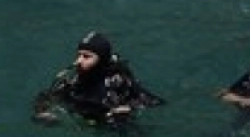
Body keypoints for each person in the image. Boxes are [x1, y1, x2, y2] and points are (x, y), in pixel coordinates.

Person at [32, 32, 164, 127]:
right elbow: (47, 95)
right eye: (78, 55)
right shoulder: (74, 77)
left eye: (86, 56)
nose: (78, 61)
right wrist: (43, 111)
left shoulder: (116, 81)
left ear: (101, 59)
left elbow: (147, 100)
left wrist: (127, 109)